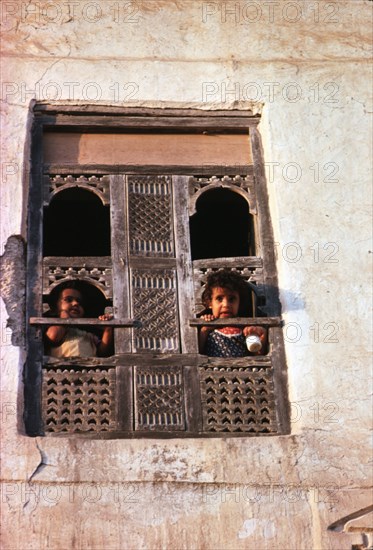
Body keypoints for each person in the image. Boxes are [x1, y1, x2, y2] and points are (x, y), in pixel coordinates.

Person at [198, 269, 267, 357]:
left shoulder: (244, 329)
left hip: (241, 369)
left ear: (239, 302)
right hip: (214, 369)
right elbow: (198, 352)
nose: (226, 305)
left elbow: (257, 353)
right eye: (219, 299)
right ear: (209, 303)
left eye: (232, 299)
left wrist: (262, 336)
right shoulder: (208, 327)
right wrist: (204, 329)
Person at [44, 282, 114, 358]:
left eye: (79, 302)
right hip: (63, 368)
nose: (75, 303)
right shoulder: (55, 328)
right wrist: (64, 319)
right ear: (54, 308)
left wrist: (108, 329)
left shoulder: (87, 335)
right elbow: (54, 336)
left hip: (90, 368)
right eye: (68, 300)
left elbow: (103, 352)